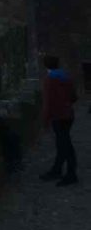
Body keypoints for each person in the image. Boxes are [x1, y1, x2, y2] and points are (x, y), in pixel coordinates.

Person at [39, 55, 79, 186]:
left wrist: (44, 121)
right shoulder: (65, 76)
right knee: (63, 144)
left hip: (58, 116)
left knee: (65, 145)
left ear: (45, 65)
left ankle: (71, 174)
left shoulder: (49, 80)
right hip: (68, 115)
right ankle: (57, 170)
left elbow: (47, 102)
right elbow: (74, 97)